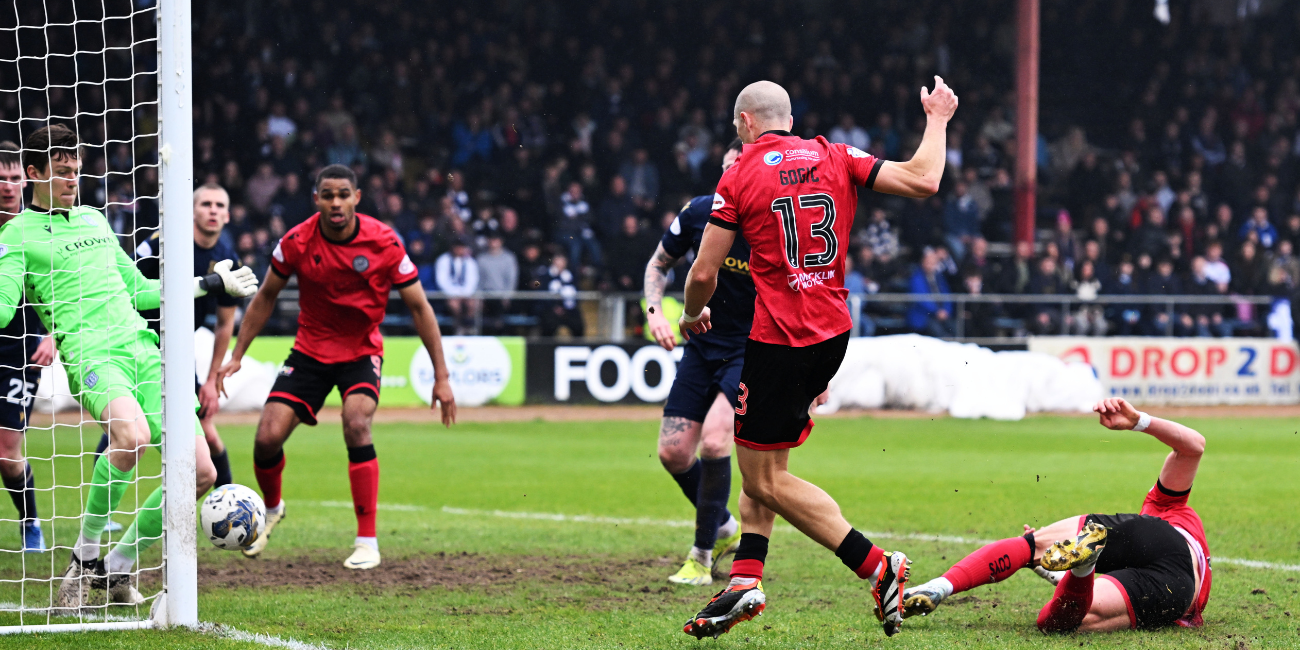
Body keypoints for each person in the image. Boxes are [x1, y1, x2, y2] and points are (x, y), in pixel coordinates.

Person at [678, 77, 958, 638]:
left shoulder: (737, 175)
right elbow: (925, 179)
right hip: (830, 333)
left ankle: (879, 566)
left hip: (779, 338)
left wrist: (689, 315)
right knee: (768, 459)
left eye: (737, 124)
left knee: (761, 479)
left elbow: (704, 273)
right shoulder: (836, 154)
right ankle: (744, 579)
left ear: (748, 122)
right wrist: (938, 119)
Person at [0, 125, 256, 609]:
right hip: (91, 354)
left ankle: (117, 568)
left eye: (76, 171)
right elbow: (4, 309)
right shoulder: (17, 234)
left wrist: (210, 283)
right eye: (61, 173)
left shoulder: (96, 221)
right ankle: (85, 560)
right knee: (132, 438)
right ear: (33, 174)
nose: (73, 180)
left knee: (201, 472)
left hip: (143, 351)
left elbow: (141, 292)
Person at [215, 164, 457, 571]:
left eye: (343, 194)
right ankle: (272, 509)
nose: (336, 203)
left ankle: (367, 541)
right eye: (327, 195)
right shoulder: (296, 240)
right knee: (266, 438)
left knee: (357, 421)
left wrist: (442, 376)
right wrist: (237, 354)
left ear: (357, 198)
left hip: (361, 352)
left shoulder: (384, 242)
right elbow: (265, 297)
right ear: (317, 200)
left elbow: (420, 307)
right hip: (309, 352)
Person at [903, 398, 1212, 634]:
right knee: (1064, 621)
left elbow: (1194, 447)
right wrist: (1137, 420)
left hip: (1156, 535)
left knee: (1031, 544)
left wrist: (1138, 421)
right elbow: (1193, 447)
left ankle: (940, 586)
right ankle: (1083, 566)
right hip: (1180, 590)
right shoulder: (1175, 513)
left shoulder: (1164, 505)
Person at [644, 139, 748, 586]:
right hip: (701, 345)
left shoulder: (771, 223)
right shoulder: (697, 212)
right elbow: (657, 265)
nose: (731, 177)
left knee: (716, 440)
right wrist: (655, 314)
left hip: (752, 348)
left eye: (739, 169)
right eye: (726, 169)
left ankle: (701, 558)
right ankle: (724, 527)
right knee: (672, 452)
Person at [110, 183, 241, 490]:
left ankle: (228, 504)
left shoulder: (227, 259)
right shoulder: (162, 243)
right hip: (138, 342)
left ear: (228, 216)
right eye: (206, 203)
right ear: (192, 210)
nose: (213, 210)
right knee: (127, 425)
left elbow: (225, 324)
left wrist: (211, 381)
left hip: (179, 351)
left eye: (219, 205)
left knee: (206, 427)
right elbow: (121, 282)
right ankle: (104, 516)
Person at [0, 141, 55, 552]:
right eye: (1, 178)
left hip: (21, 352)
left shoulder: (39, 229)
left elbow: (64, 290)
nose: (7, 185)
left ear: (28, 179)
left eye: (14, 177)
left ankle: (30, 520)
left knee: (6, 452)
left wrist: (54, 335)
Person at [434, 238, 480, 334]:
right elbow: (442, 281)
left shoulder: (470, 262)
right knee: (454, 305)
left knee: (473, 303)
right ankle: (459, 327)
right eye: (457, 247)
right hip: (449, 294)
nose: (460, 250)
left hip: (466, 294)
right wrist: (455, 294)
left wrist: (464, 294)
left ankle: (470, 328)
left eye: (462, 248)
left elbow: (472, 281)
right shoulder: (443, 260)